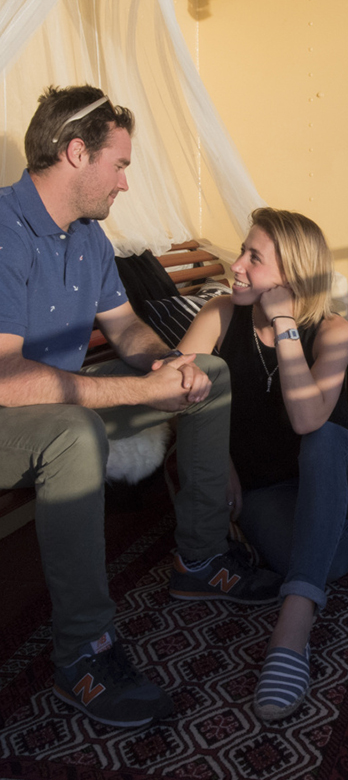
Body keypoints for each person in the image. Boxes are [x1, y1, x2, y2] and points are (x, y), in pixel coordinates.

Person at [0, 86, 281, 731]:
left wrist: (167, 366)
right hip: (14, 413)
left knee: (207, 371)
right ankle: (84, 654)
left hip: (55, 404)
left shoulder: (90, 237)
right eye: (120, 165)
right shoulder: (6, 232)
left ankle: (202, 558)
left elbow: (125, 330)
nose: (126, 184)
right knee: (74, 434)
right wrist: (138, 391)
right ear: (77, 153)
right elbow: (10, 380)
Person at [178, 207, 348, 722]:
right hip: (268, 488)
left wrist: (283, 322)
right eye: (242, 250)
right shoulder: (218, 315)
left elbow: (306, 419)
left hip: (346, 470)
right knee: (312, 555)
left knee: (322, 436)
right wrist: (221, 464)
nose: (234, 265)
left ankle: (293, 627)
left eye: (253, 258)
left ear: (292, 277)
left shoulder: (333, 331)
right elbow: (181, 398)